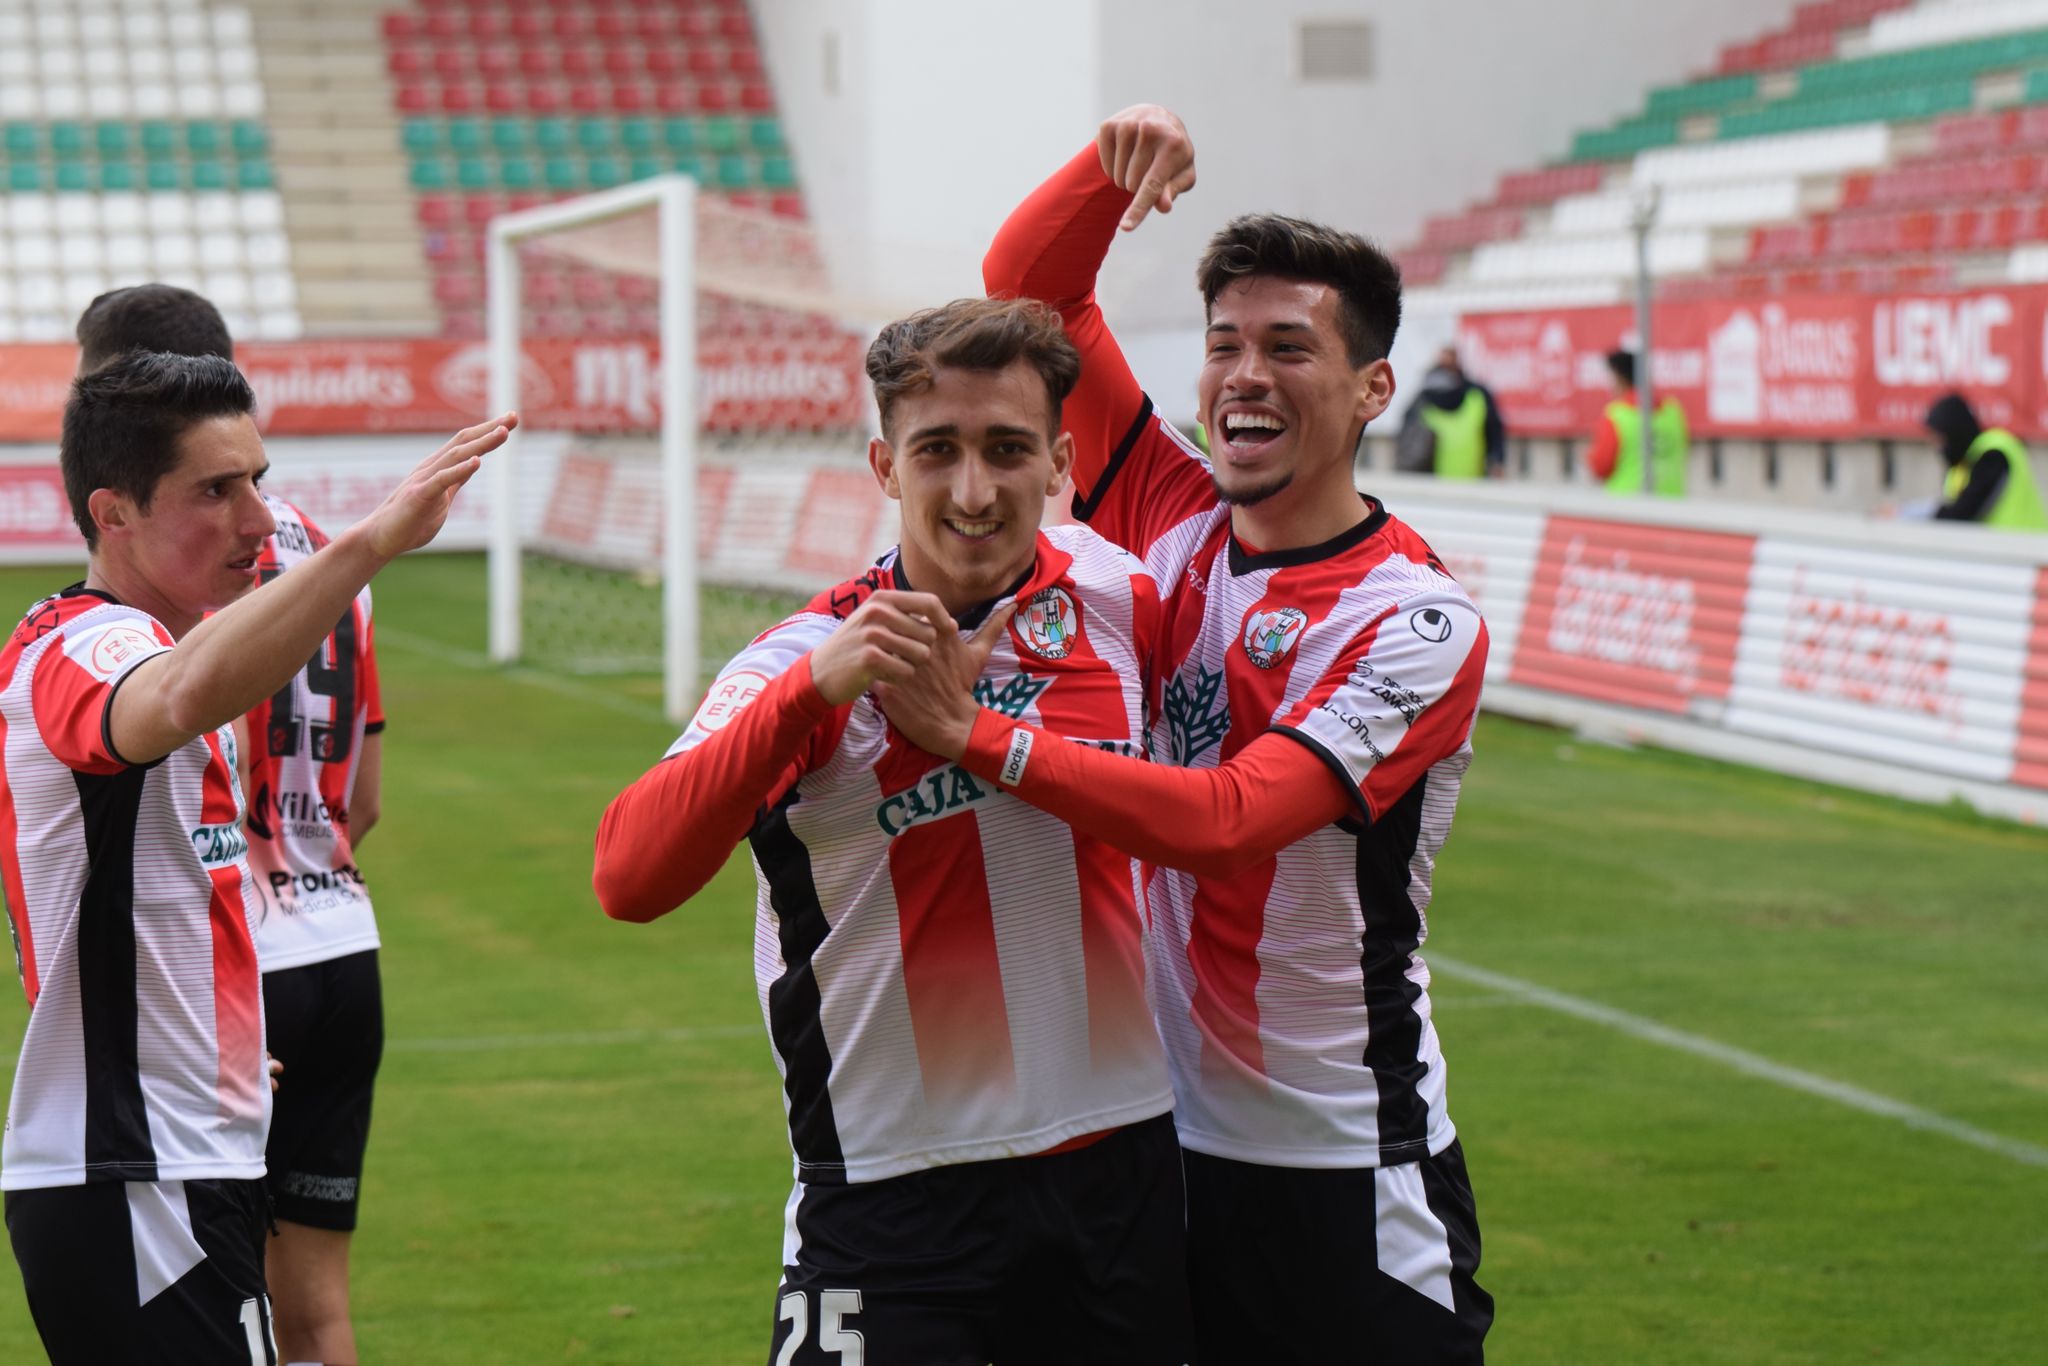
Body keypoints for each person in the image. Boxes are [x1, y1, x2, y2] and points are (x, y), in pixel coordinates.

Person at [931, 106, 1495, 1363]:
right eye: (1223, 343)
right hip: (1155, 1147)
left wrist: (980, 737)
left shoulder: (1412, 617)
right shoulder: (1170, 515)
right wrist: (1110, 158)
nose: (1244, 373)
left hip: (1343, 1161)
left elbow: (1228, 822)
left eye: (1288, 348)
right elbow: (1026, 289)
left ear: (1369, 388)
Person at [591, 297, 1192, 1364]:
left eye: (1007, 450)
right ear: (882, 464)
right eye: (937, 452)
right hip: (890, 1193)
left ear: (1058, 461)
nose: (973, 491)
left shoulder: (1124, 599)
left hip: (1121, 1171)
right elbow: (626, 876)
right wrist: (804, 699)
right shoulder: (806, 658)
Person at [0, 349, 508, 1364]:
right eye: (216, 491)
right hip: (134, 1175)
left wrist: (215, 1045)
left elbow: (163, 896)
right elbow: (174, 699)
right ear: (115, 514)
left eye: (259, 481)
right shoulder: (85, 647)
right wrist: (369, 544)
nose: (259, 519)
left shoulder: (148, 643)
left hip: (179, 1153)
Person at [75, 282, 390, 1366]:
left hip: (236, 970)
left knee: (225, 1305)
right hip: (345, 931)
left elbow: (207, 754)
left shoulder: (202, 562)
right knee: (315, 1313)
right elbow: (368, 790)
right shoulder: (320, 550)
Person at [1922, 392, 2048, 530]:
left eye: (1940, 439)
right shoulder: (1963, 464)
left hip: (2025, 545)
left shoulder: (1994, 454)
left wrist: (1919, 515)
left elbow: (1964, 512)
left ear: (1953, 431)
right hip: (1999, 547)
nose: (1938, 447)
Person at [1587, 349, 1687, 497]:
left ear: (1620, 378)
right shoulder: (1673, 411)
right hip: (1673, 506)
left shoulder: (1616, 416)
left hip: (1627, 508)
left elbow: (1600, 467)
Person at [1398, 346, 1506, 479]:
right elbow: (1409, 442)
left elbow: (1494, 431)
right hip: (1433, 483)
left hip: (1469, 481)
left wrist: (1496, 461)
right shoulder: (1424, 398)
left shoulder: (1476, 395)